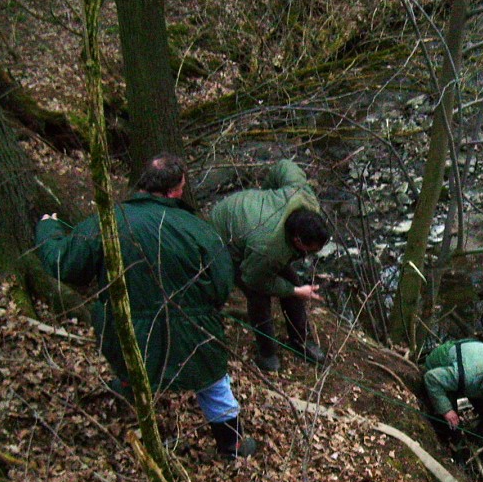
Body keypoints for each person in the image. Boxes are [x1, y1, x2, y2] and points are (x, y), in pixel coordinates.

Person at [35, 153, 256, 459]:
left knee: (132, 366)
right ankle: (232, 445)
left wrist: (48, 229)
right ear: (176, 190)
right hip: (195, 333)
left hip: (127, 332)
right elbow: (220, 287)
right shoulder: (200, 230)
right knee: (214, 383)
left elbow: (65, 264)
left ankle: (137, 411)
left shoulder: (107, 221)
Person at [209, 159, 330, 372]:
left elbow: (285, 166)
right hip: (224, 240)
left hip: (251, 221)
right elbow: (254, 279)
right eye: (311, 249)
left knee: (292, 280)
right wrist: (293, 291)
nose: (314, 253)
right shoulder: (267, 247)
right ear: (298, 241)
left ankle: (301, 341)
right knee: (259, 297)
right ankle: (267, 353)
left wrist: (265, 195)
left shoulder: (303, 196)